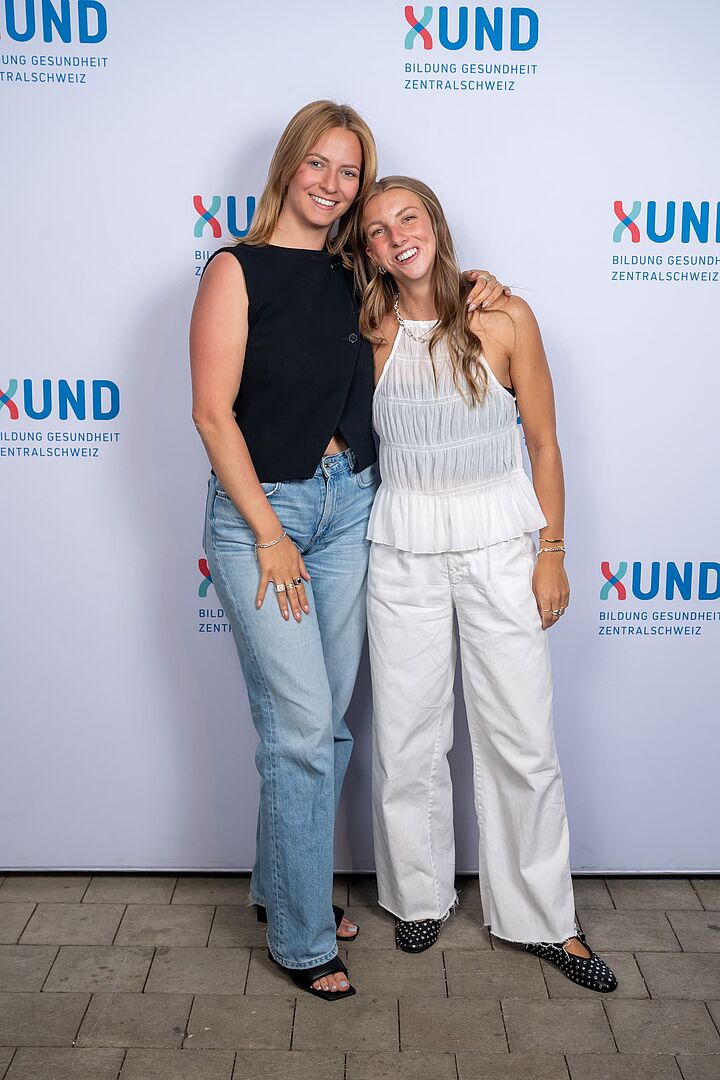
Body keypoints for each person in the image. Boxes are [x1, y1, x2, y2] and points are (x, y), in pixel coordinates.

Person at [190, 103, 504, 1000]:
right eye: (318, 165)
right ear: (288, 166)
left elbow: (424, 291)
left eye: (350, 172)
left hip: (350, 505)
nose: (332, 184)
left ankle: (276, 888)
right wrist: (269, 535)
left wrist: (478, 282)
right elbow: (212, 414)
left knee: (322, 726)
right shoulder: (235, 269)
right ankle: (301, 938)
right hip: (265, 516)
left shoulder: (355, 271)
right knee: (298, 730)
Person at [353, 176, 618, 993]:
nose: (396, 235)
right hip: (402, 548)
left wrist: (553, 550)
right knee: (405, 736)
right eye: (376, 229)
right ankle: (417, 897)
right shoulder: (366, 327)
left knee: (521, 738)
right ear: (366, 252)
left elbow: (544, 442)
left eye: (408, 217)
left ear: (435, 223)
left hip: (502, 545)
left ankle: (542, 917)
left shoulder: (504, 317)